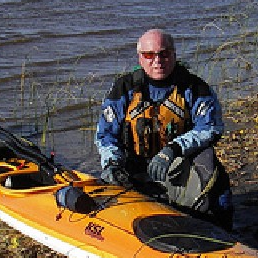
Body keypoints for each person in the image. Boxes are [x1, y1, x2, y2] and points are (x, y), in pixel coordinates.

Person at [95, 28, 234, 230]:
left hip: (178, 162)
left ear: (174, 56)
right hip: (133, 164)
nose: (157, 61)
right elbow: (106, 134)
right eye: (149, 55)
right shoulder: (123, 89)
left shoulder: (194, 88)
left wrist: (173, 150)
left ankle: (221, 232)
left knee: (215, 181)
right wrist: (112, 164)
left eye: (164, 54)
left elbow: (211, 127)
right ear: (140, 59)